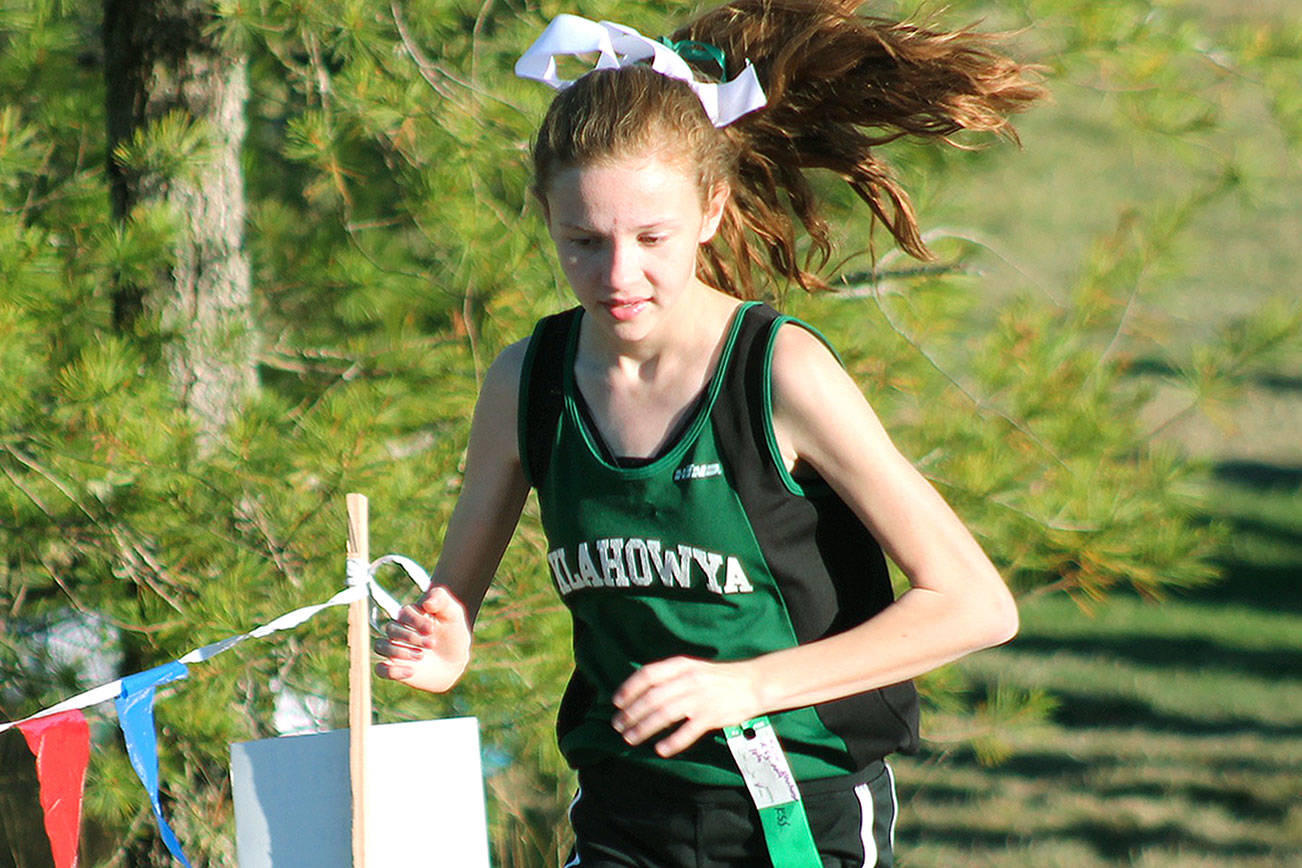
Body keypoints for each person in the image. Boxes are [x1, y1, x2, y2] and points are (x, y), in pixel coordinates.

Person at [376, 1, 1043, 864]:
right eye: (582, 240)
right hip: (623, 813)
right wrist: (442, 639)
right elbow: (453, 602)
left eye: (651, 237)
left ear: (712, 209)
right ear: (544, 214)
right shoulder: (526, 382)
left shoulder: (779, 375)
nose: (619, 275)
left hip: (794, 811)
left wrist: (745, 688)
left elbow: (975, 605)